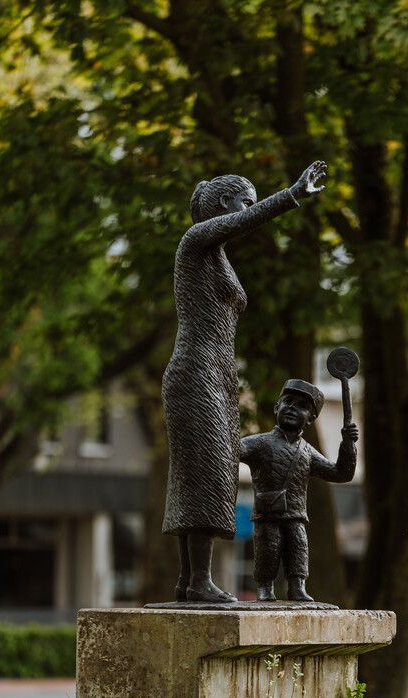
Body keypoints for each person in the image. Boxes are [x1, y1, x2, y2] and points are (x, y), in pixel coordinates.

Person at [162, 160, 327, 603]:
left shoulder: (216, 256)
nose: (248, 212)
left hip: (215, 373)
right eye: (243, 203)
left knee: (205, 470)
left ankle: (189, 580)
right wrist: (290, 195)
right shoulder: (195, 241)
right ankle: (198, 580)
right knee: (207, 471)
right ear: (223, 204)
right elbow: (244, 221)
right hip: (196, 370)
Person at [239, 379, 358, 601]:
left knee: (298, 547)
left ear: (311, 418)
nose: (293, 408)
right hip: (268, 513)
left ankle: (297, 586)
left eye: (302, 406)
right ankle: (265, 588)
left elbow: (340, 474)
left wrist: (348, 445)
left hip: (295, 515)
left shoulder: (308, 452)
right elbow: (233, 450)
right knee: (268, 548)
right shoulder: (260, 443)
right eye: (288, 402)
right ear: (277, 408)